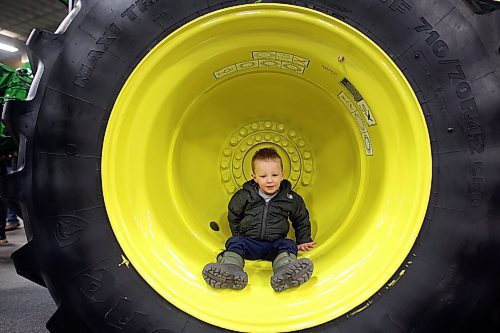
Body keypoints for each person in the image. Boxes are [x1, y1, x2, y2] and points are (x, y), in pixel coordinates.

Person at [203, 147, 316, 291]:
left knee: (288, 245)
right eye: (263, 176)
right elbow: (234, 214)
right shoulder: (244, 196)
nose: (269, 180)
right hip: (249, 242)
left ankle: (285, 270)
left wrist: (303, 239)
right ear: (254, 176)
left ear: (283, 175)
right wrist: (238, 234)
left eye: (274, 175)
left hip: (275, 244)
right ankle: (230, 269)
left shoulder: (290, 198)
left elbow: (301, 218)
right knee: (234, 242)